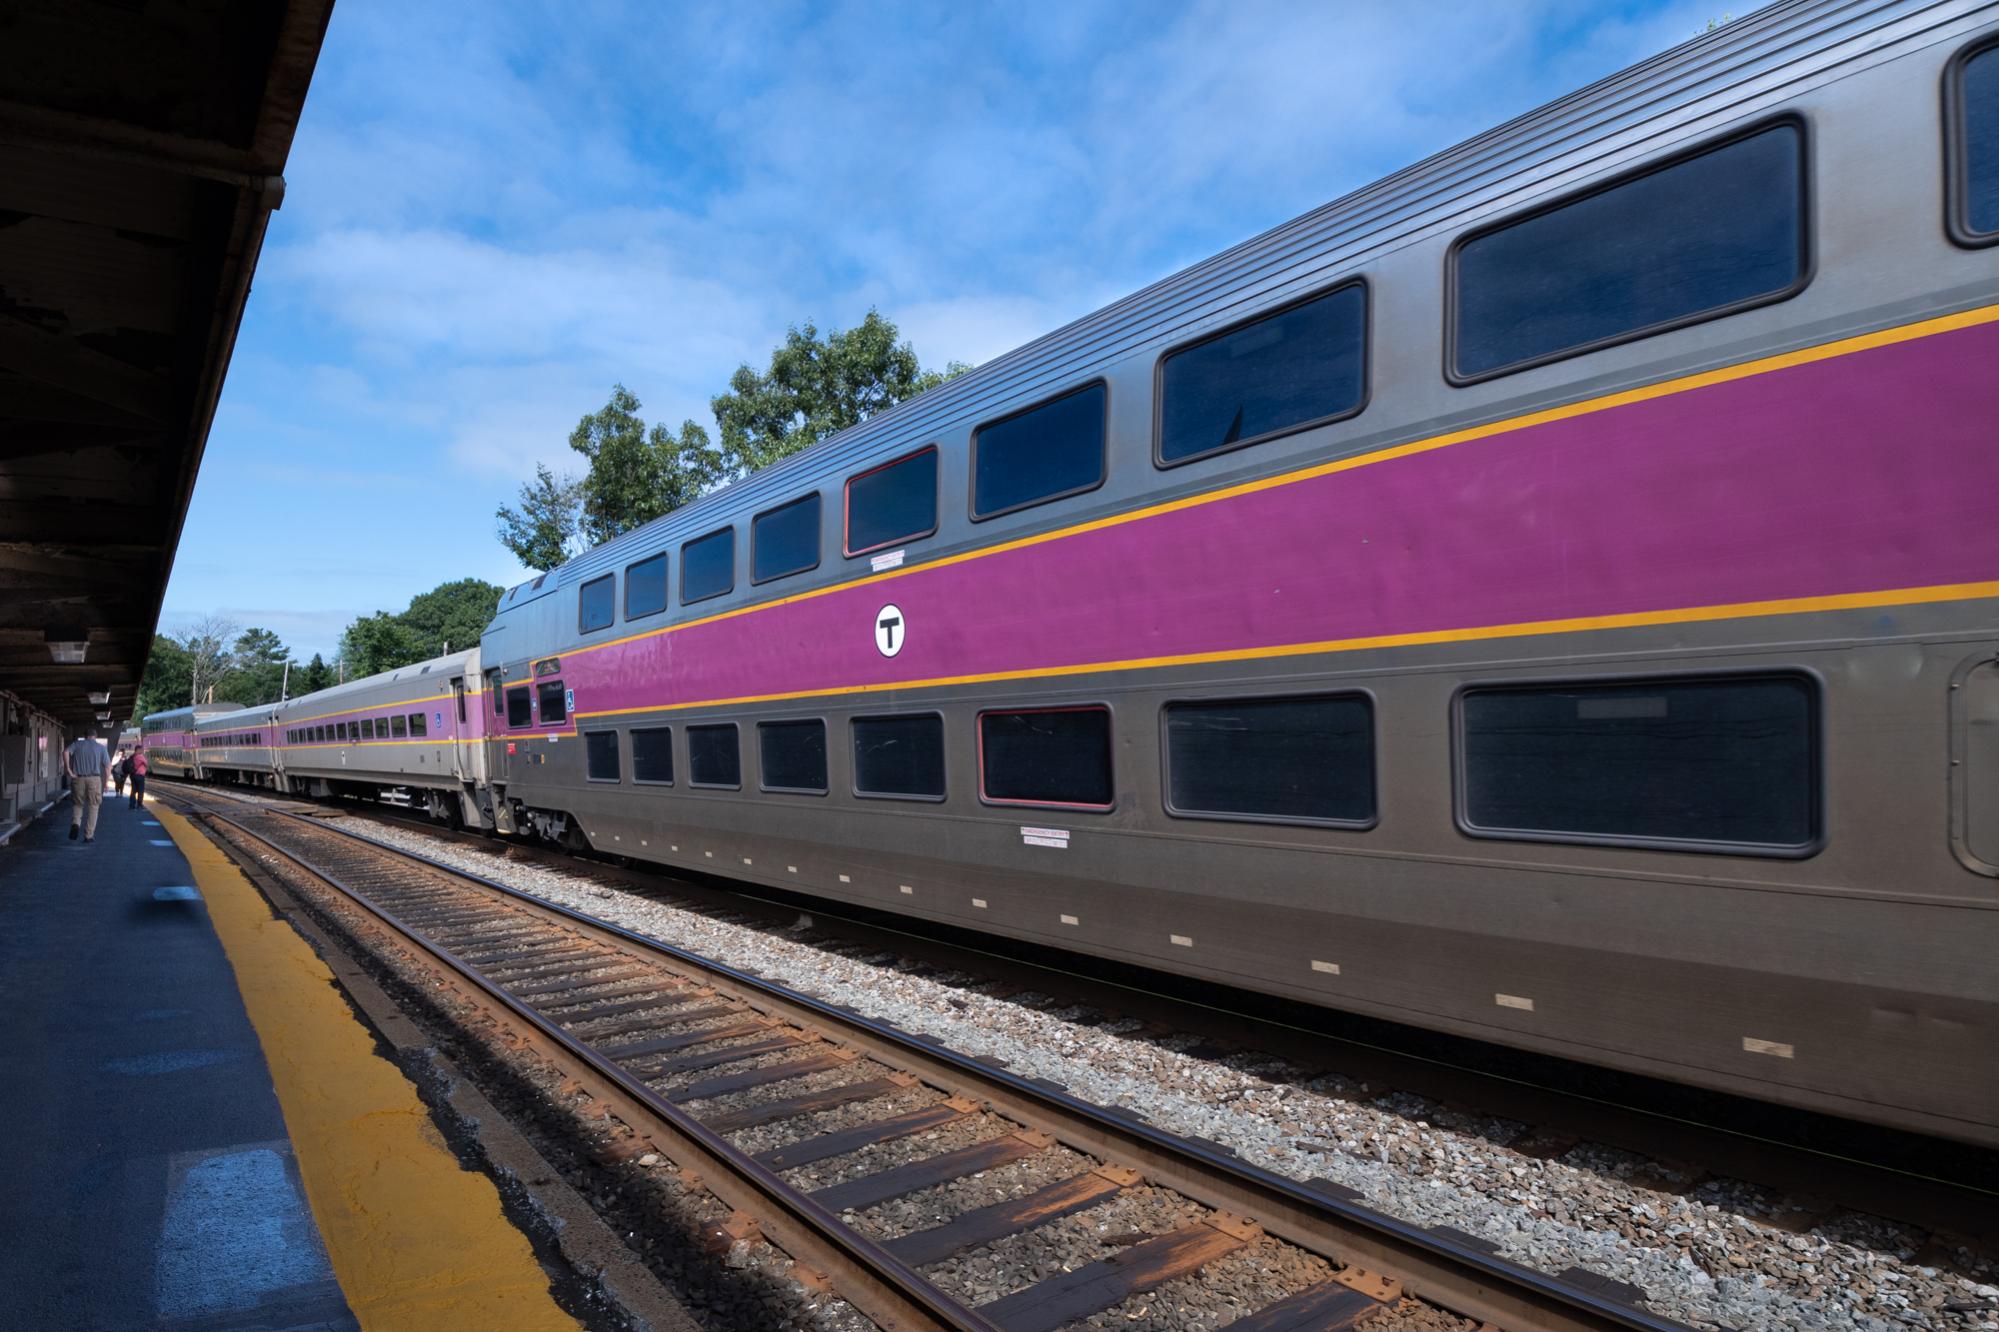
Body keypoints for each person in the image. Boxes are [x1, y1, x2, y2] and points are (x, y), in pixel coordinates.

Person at [63, 726, 111, 843]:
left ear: (85, 736)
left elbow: (65, 752)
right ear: (96, 736)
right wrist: (106, 783)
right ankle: (88, 835)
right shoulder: (101, 747)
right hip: (94, 779)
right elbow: (108, 766)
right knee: (94, 806)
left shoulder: (77, 744)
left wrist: (69, 769)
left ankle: (76, 823)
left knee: (78, 804)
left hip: (78, 778)